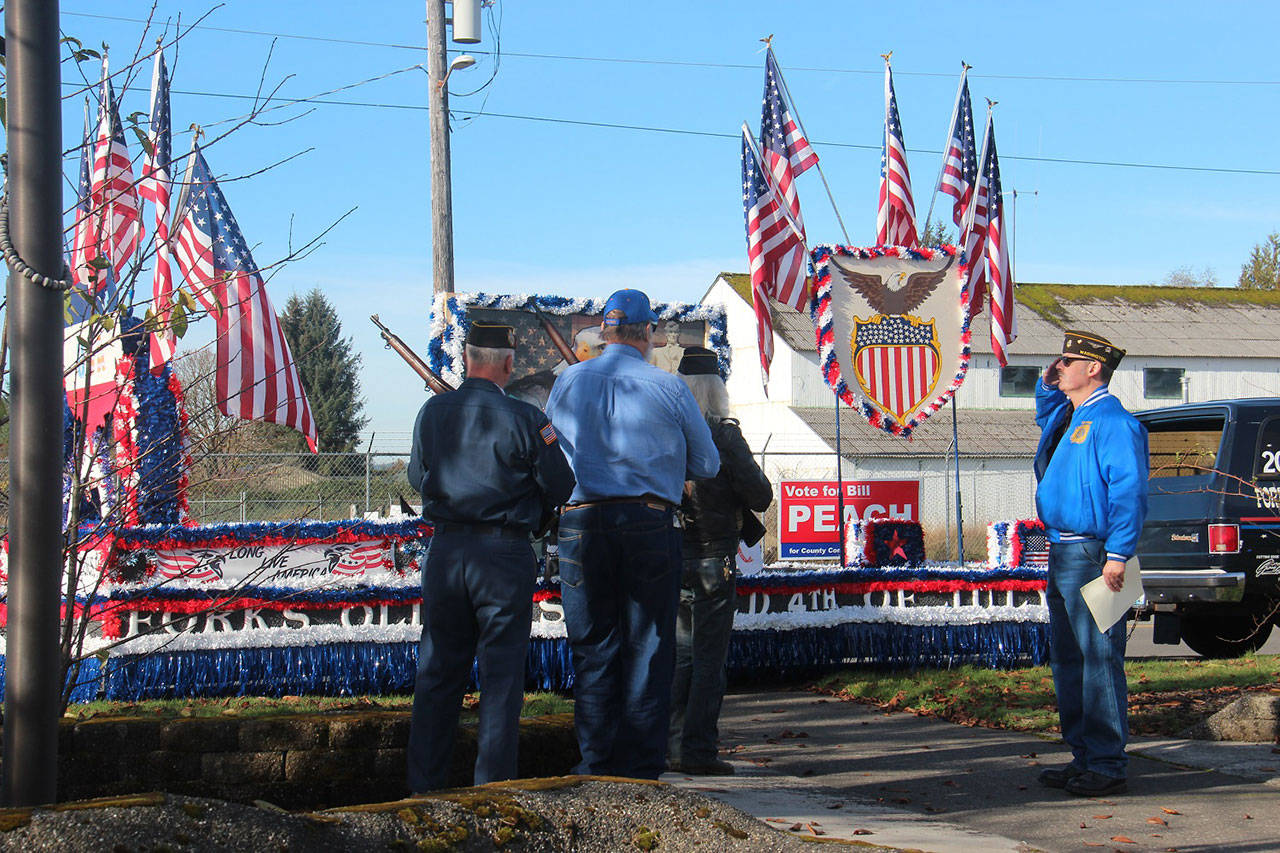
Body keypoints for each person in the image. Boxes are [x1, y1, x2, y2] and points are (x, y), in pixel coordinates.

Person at [545, 288, 720, 780]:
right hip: (648, 523)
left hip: (581, 522)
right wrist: (660, 461)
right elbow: (706, 462)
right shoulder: (669, 388)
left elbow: (552, 450)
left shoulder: (569, 382)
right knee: (648, 644)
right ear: (646, 333)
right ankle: (642, 768)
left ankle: (595, 762)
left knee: (593, 644)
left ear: (604, 332)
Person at [406, 322, 576, 793]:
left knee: (437, 672)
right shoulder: (526, 418)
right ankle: (494, 791)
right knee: (500, 683)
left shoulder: (432, 411)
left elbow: (417, 477)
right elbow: (561, 485)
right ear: (508, 363)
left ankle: (423, 792)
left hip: (446, 550)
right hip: (502, 554)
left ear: (466, 355)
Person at [1033, 329, 1148, 798]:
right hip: (1063, 551)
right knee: (1068, 660)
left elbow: (1129, 491)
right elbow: (1046, 414)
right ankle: (1084, 757)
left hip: (1093, 554)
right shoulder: (1074, 416)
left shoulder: (1112, 422)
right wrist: (1047, 383)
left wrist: (1118, 553)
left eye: (1066, 362)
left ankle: (1106, 763)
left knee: (1098, 660)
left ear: (1092, 368)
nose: (1058, 368)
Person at [666, 347, 772, 776]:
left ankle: (671, 747)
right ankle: (698, 751)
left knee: (680, 657)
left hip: (675, 553)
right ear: (716, 392)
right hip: (715, 557)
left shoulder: (667, 432)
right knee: (709, 659)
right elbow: (760, 496)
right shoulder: (724, 436)